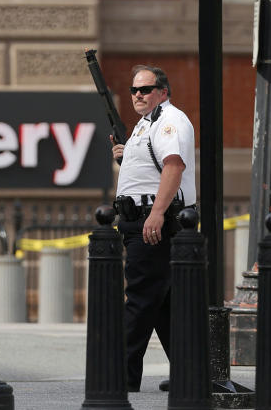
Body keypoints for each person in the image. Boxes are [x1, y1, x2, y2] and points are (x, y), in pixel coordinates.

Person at [109, 65, 196, 393]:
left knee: (141, 297)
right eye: (134, 90)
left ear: (163, 91)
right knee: (163, 304)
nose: (138, 95)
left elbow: (174, 166)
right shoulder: (147, 124)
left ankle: (121, 374)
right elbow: (151, 169)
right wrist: (124, 155)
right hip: (139, 219)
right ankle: (191, 371)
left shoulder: (170, 120)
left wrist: (157, 213)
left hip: (154, 220)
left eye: (146, 89)